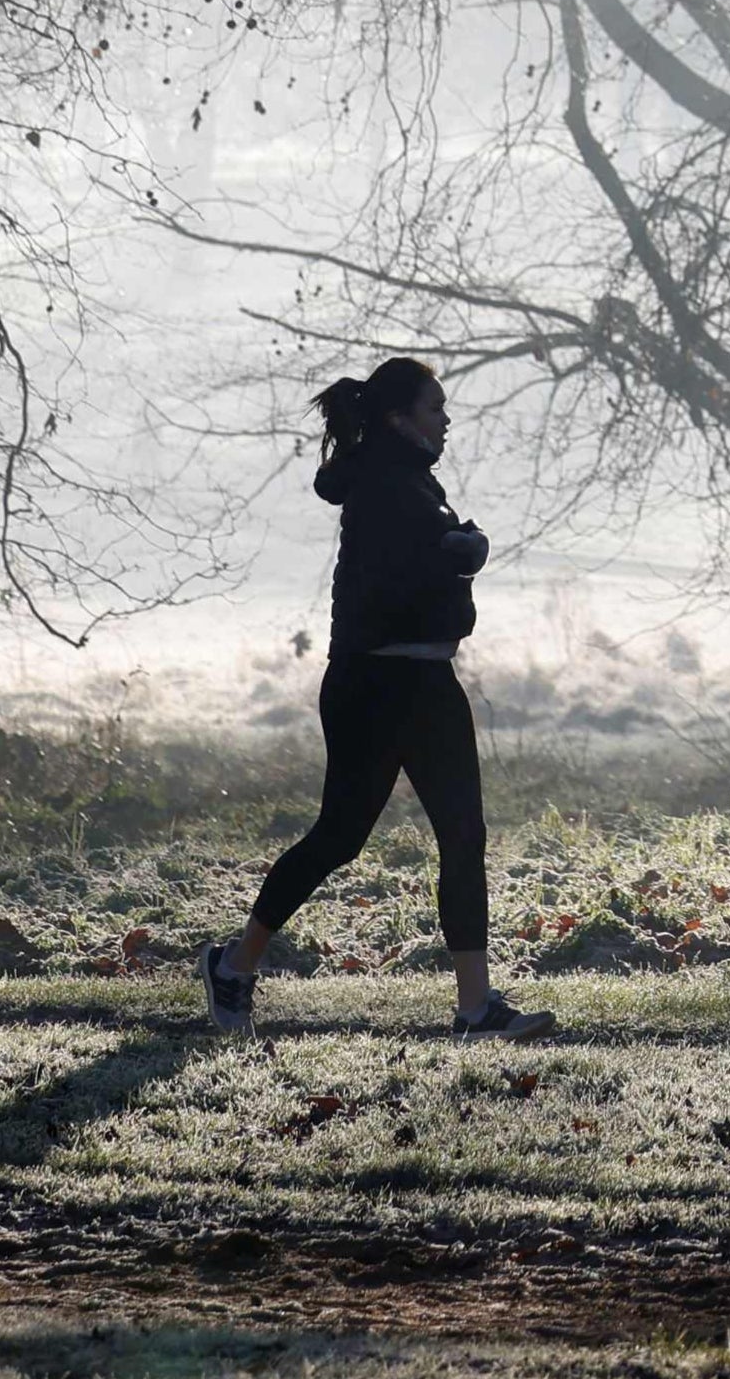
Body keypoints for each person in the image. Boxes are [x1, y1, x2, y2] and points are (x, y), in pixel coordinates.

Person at [205, 357, 555, 1040]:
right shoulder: (384, 484)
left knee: (463, 836)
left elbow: (415, 564)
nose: (446, 419)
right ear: (399, 418)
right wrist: (458, 553)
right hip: (374, 685)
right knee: (340, 838)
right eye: (434, 408)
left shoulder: (411, 481)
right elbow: (394, 577)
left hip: (426, 681)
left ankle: (475, 1008)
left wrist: (455, 549)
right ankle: (233, 965)